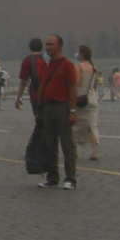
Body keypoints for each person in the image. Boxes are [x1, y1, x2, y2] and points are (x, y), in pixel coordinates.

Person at [36, 34, 79, 189]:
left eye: (51, 44)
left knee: (67, 144)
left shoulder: (66, 65)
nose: (48, 47)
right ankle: (52, 177)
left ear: (60, 46)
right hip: (47, 108)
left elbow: (72, 87)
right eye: (46, 44)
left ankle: (70, 179)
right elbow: (42, 85)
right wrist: (39, 108)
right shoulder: (47, 65)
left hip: (62, 108)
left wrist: (72, 110)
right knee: (50, 144)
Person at [73, 45, 100, 161]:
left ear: (82, 54)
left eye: (78, 52)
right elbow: (95, 85)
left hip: (81, 99)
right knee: (92, 126)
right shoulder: (94, 68)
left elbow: (76, 83)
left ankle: (74, 150)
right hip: (92, 99)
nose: (77, 54)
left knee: (75, 125)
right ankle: (95, 152)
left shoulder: (79, 67)